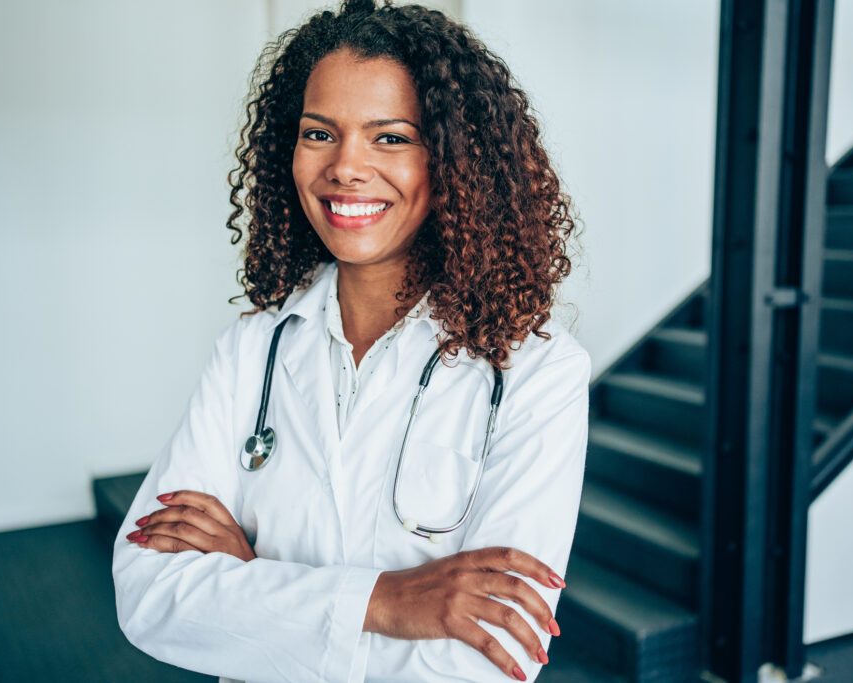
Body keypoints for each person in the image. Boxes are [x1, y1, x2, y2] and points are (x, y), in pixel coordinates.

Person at [112, 1, 592, 681]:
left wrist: (254, 582)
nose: (345, 167)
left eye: (390, 137)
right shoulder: (251, 349)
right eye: (319, 133)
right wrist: (385, 601)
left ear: (454, 160)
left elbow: (488, 658)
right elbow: (149, 593)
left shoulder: (538, 373)